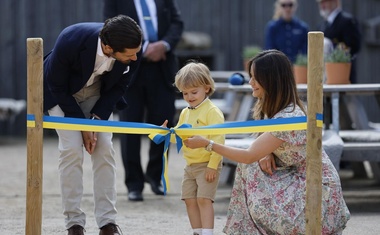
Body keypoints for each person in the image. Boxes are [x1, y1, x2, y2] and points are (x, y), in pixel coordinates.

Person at [184, 50, 350, 234]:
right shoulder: (272, 109)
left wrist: (208, 144)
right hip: (296, 177)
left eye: (255, 78)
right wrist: (267, 152)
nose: (250, 82)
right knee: (252, 165)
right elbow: (268, 144)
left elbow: (248, 156)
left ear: (271, 80)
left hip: (316, 192)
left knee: (249, 166)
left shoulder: (289, 116)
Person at [43, 15, 142, 235]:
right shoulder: (69, 39)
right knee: (71, 149)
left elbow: (119, 88)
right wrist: (82, 125)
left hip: (98, 94)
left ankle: (108, 222)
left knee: (104, 147)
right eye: (129, 55)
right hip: (62, 94)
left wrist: (95, 121)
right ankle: (74, 223)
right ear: (108, 47)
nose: (135, 58)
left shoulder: (133, 47)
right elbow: (56, 86)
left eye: (136, 52)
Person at [103, 0, 184, 201]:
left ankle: (155, 177)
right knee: (130, 128)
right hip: (129, 71)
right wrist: (144, 47)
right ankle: (134, 184)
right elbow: (108, 27)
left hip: (163, 68)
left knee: (163, 125)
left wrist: (163, 45)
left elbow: (177, 23)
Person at [153, 62, 225, 235]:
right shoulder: (185, 112)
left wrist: (212, 165)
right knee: (189, 200)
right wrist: (161, 133)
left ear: (207, 88)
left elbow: (219, 139)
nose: (189, 96)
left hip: (207, 163)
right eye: (185, 93)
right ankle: (197, 231)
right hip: (190, 165)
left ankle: (208, 232)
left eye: (194, 92)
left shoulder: (213, 111)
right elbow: (179, 137)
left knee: (204, 199)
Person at [317, 0, 370, 131]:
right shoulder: (324, 24)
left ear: (335, 2)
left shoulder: (347, 20)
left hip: (344, 72)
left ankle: (365, 133)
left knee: (352, 102)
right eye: (321, 3)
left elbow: (354, 46)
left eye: (326, 2)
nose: (323, 5)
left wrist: (333, 48)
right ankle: (345, 130)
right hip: (328, 74)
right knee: (337, 105)